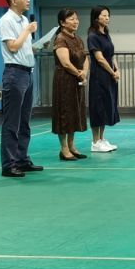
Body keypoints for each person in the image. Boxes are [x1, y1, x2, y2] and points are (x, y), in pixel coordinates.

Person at [0, 0, 43, 178]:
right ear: (13, 0)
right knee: (12, 122)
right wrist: (27, 31)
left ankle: (22, 159)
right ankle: (9, 164)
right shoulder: (6, 21)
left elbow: (24, 47)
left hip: (27, 73)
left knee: (24, 121)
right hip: (14, 74)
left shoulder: (24, 19)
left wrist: (37, 46)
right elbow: (13, 46)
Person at [51, 8, 88, 161]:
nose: (75, 21)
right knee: (64, 113)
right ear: (62, 22)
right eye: (71, 19)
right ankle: (64, 149)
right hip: (64, 80)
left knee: (74, 112)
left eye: (76, 18)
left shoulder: (78, 39)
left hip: (77, 79)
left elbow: (85, 58)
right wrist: (79, 73)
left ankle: (72, 146)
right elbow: (65, 62)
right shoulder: (60, 39)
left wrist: (84, 72)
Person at [87, 6, 121, 154]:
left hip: (109, 77)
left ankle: (101, 139)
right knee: (98, 108)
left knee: (106, 107)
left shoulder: (106, 34)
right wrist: (112, 72)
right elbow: (100, 59)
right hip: (99, 77)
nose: (107, 18)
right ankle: (95, 142)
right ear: (96, 18)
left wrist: (117, 70)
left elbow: (111, 55)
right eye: (104, 15)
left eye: (108, 15)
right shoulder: (92, 36)